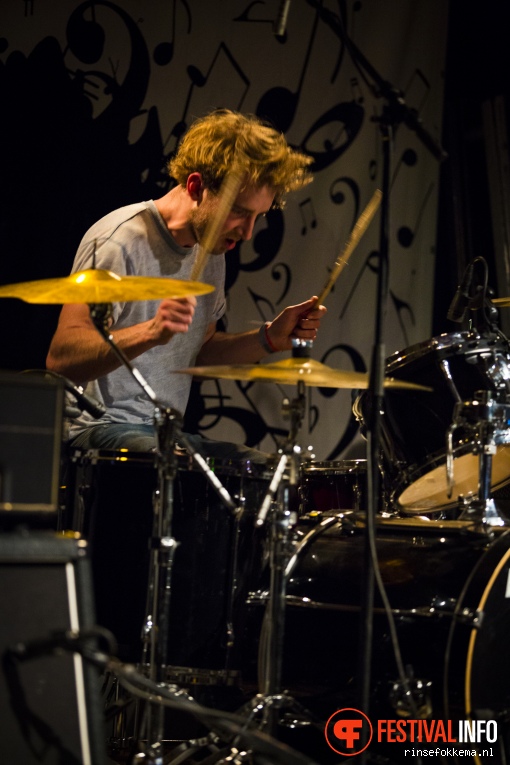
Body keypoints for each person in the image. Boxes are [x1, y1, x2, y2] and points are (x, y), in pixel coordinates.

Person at [46, 109, 326, 462]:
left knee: (267, 472)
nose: (248, 232)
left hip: (165, 435)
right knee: (183, 470)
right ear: (196, 186)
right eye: (239, 212)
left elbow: (200, 349)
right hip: (98, 430)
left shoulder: (211, 250)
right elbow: (61, 357)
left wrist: (268, 339)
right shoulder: (119, 241)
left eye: (259, 216)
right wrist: (150, 331)